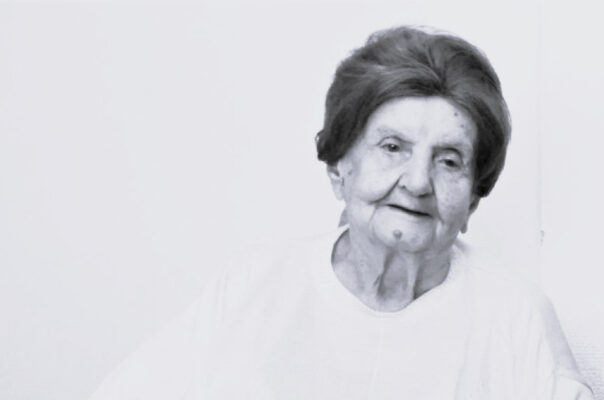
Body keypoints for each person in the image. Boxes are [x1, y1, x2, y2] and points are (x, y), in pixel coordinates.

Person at [89, 26, 593, 399]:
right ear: (338, 169)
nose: (418, 182)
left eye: (448, 160)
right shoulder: (253, 286)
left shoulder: (516, 318)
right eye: (392, 147)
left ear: (473, 201)